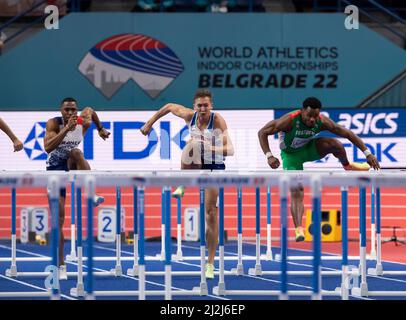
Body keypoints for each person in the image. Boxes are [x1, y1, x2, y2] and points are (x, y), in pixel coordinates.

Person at [141, 89, 234, 279]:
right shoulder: (189, 116)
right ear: (194, 107)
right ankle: (183, 183)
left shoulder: (217, 121)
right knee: (191, 144)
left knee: (211, 214)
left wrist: (211, 147)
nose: (202, 108)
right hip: (195, 159)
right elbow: (168, 107)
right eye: (199, 105)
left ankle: (210, 264)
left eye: (205, 105)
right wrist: (149, 124)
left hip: (214, 165)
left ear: (211, 106)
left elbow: (230, 150)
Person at [258, 97, 380, 242]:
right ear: (302, 111)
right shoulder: (289, 120)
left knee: (335, 144)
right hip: (291, 156)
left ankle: (347, 165)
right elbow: (262, 132)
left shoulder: (322, 121)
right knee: (297, 190)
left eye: (315, 116)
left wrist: (367, 153)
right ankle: (298, 229)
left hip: (310, 149)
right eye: (309, 116)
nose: (312, 120)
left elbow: (347, 133)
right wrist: (269, 156)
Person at [44, 97, 110, 279]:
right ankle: (61, 264)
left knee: (77, 152)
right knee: (59, 220)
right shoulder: (53, 124)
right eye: (67, 110)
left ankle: (91, 193)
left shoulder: (84, 121)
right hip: (55, 168)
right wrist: (66, 129)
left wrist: (101, 129)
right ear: (61, 111)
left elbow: (92, 111)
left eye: (73, 110)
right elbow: (47, 147)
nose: (71, 113)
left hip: (71, 162)